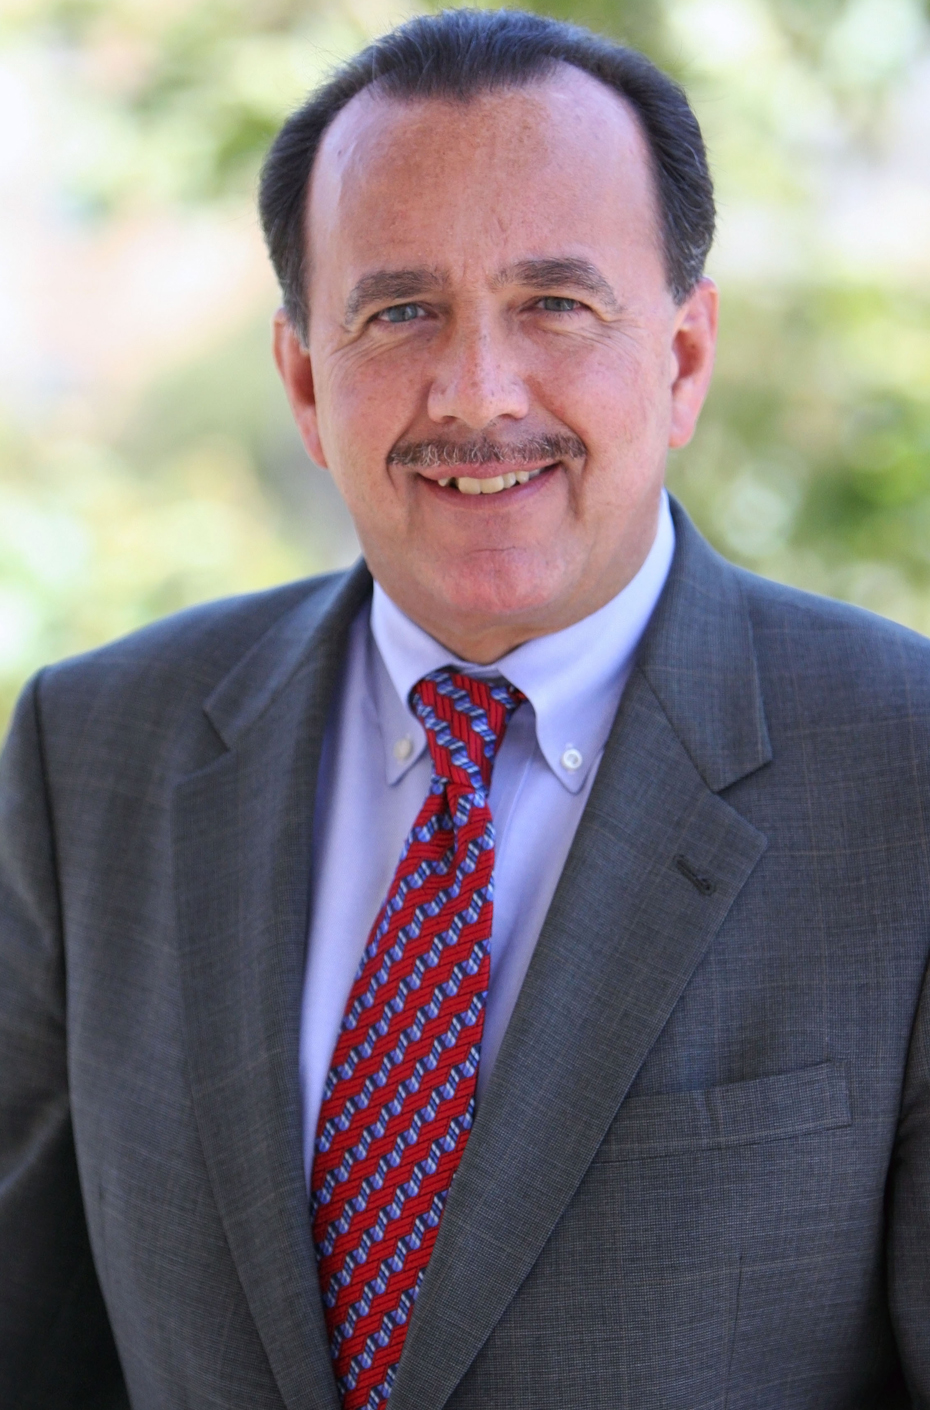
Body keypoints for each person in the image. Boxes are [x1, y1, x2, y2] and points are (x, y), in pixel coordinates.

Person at [2, 7, 930, 1408]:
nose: (477, 394)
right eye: (399, 312)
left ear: (682, 359)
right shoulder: (94, 754)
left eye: (556, 303)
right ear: (304, 381)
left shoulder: (903, 774)